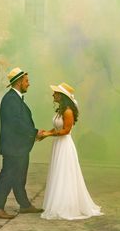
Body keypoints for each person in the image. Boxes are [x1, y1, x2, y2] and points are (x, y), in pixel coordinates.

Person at [38, 83, 102, 220]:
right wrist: (45, 133)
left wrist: (48, 135)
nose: (52, 95)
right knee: (58, 172)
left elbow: (66, 130)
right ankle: (57, 203)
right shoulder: (61, 111)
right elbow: (56, 129)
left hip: (65, 145)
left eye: (55, 93)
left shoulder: (68, 111)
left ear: (61, 96)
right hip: (58, 145)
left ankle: (65, 205)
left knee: (64, 173)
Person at [0, 67, 43, 219]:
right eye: (26, 81)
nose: (29, 84)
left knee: (19, 177)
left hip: (19, 146)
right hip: (13, 147)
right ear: (19, 82)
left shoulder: (14, 98)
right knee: (7, 176)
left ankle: (25, 205)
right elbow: (16, 123)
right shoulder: (11, 99)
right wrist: (34, 132)